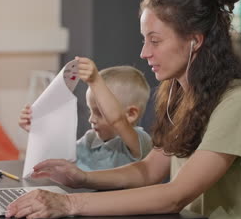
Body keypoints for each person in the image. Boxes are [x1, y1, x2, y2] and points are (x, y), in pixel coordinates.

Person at [7, 0, 241, 219]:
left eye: (155, 41)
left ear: (195, 42)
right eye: (144, 40)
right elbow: (150, 170)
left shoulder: (238, 104)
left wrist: (68, 203)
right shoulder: (182, 95)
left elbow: (175, 196)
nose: (144, 53)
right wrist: (82, 178)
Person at [19, 56, 153, 171]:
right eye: (91, 111)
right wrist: (38, 130)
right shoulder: (90, 139)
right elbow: (61, 156)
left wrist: (96, 81)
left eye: (100, 113)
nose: (91, 119)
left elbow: (118, 120)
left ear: (130, 114)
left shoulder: (140, 142)